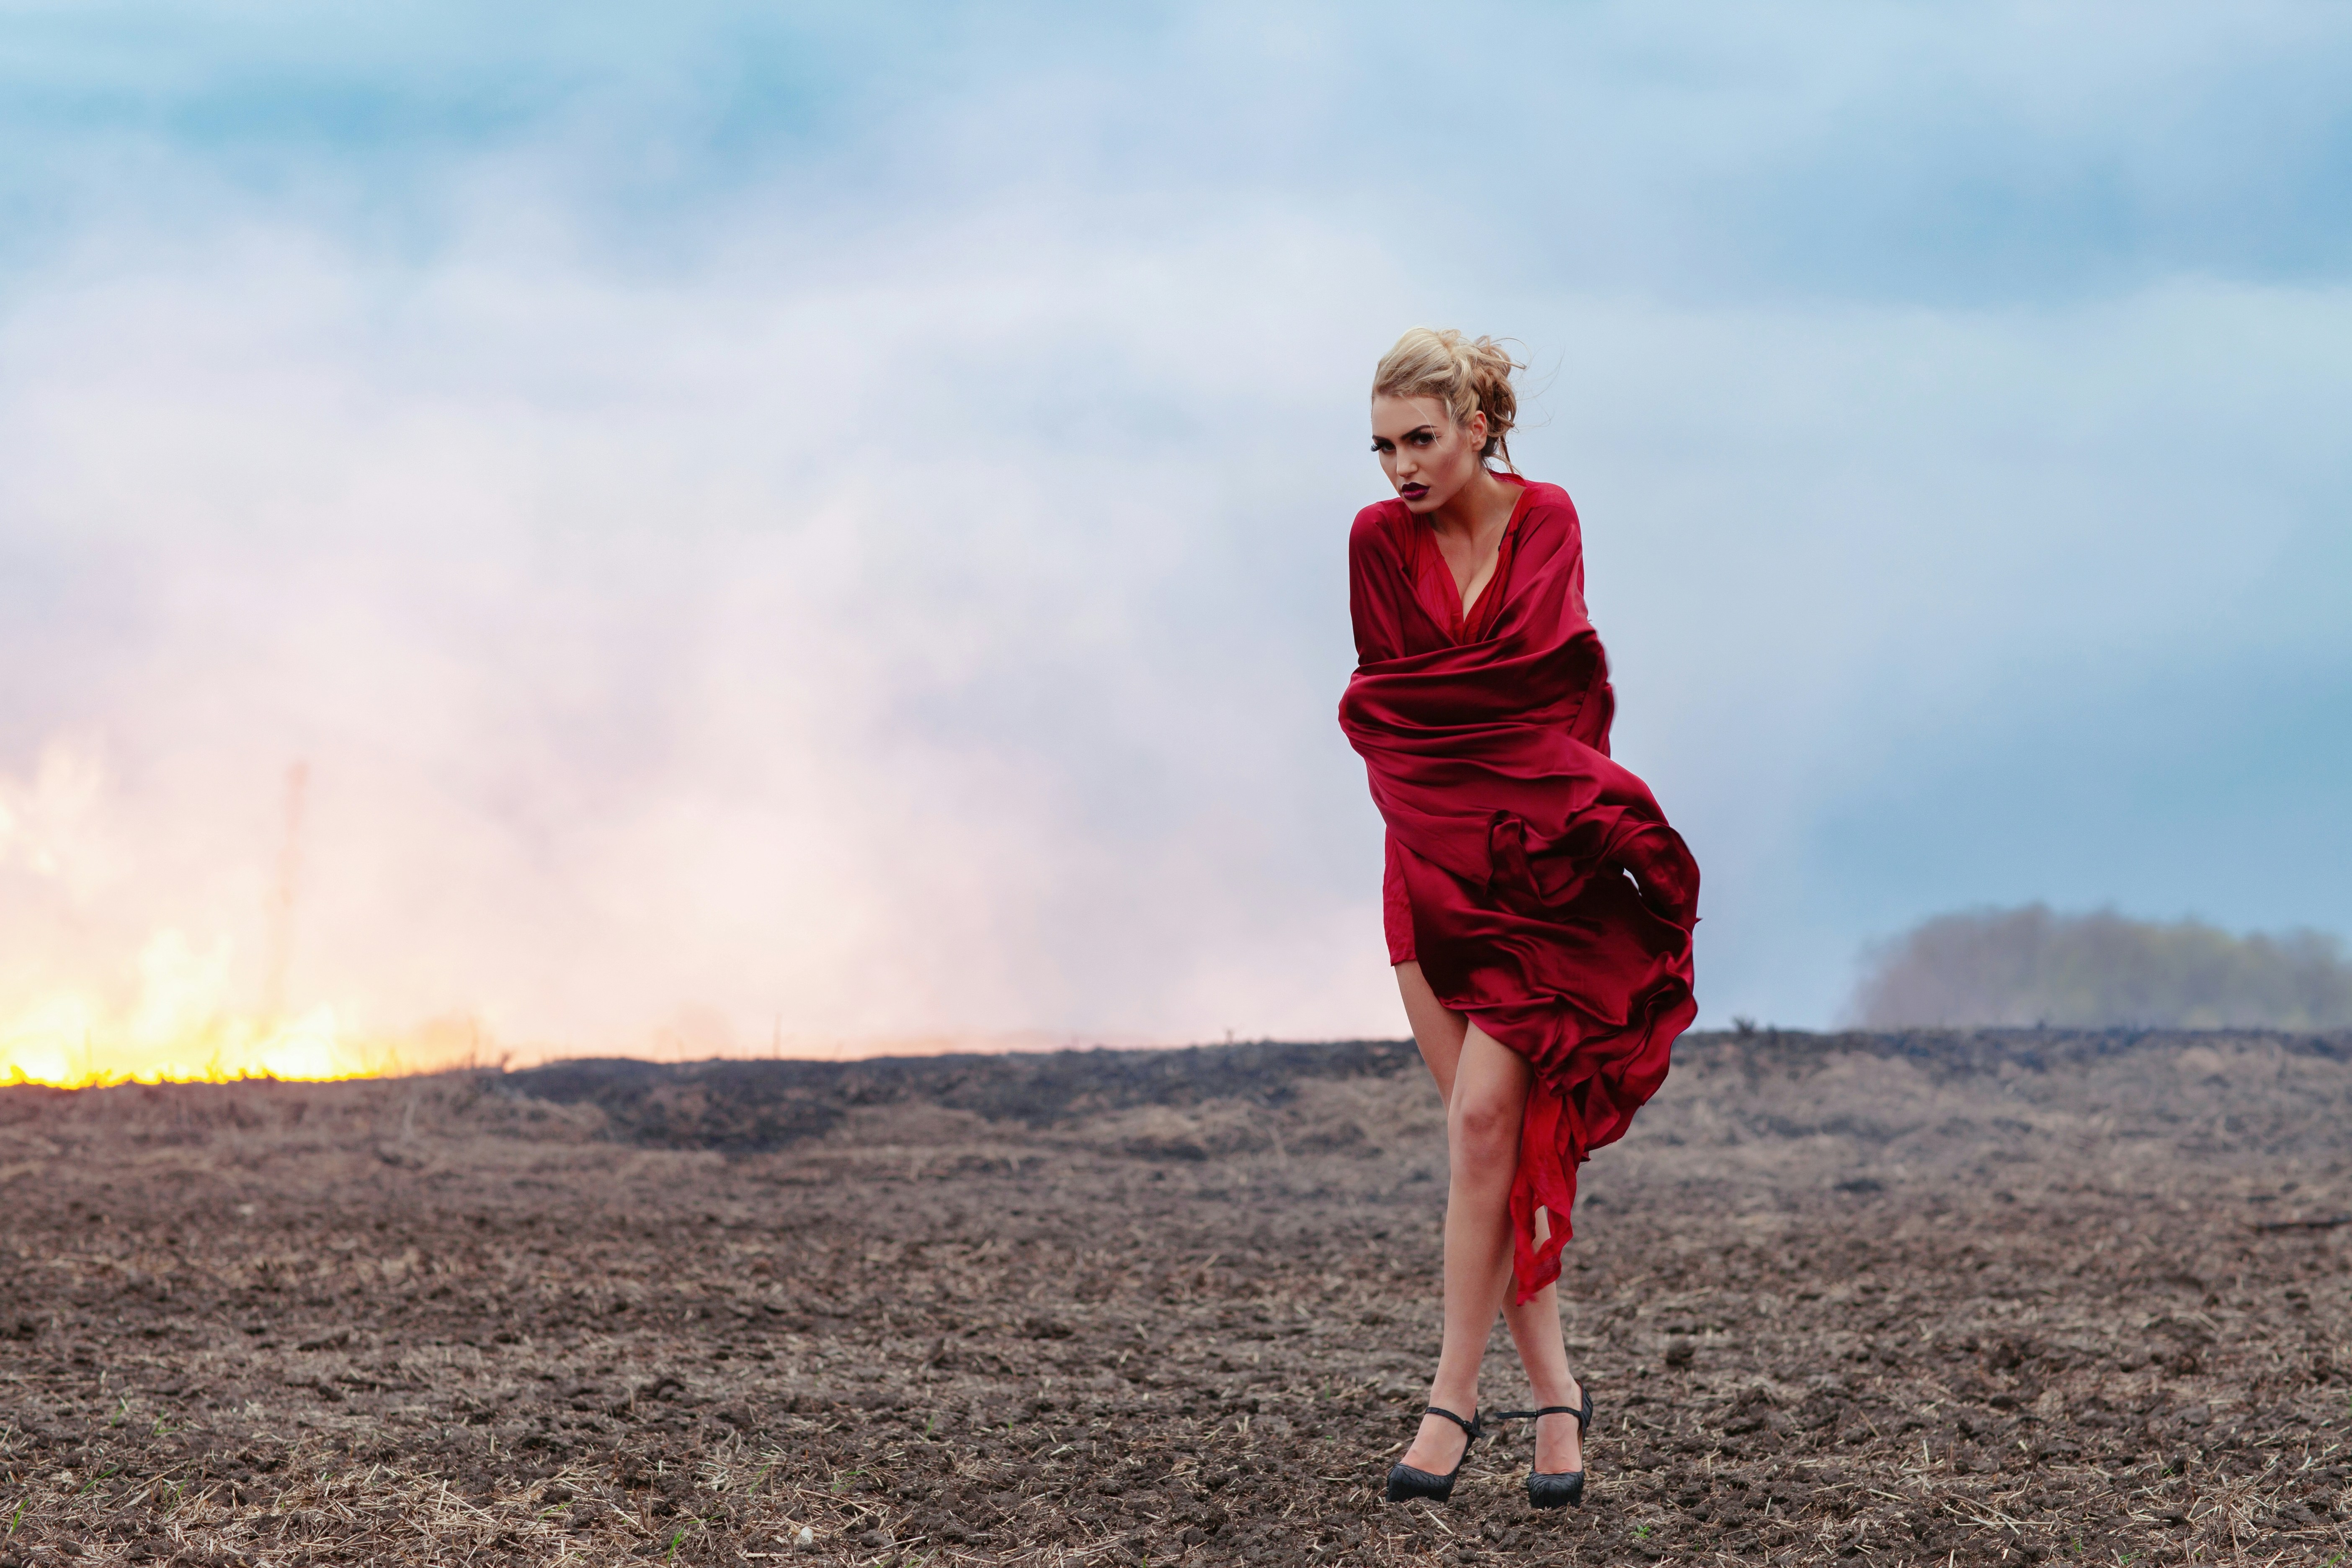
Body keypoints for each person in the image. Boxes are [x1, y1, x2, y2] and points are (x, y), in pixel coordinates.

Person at [1337, 328, 1699, 1510]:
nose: (1399, 467)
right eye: (1383, 445)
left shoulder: (1550, 520)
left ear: (1478, 427)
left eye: (1421, 440)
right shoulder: (1375, 543)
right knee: (1486, 1142)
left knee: (1491, 1120)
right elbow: (1403, 721)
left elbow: (1548, 696)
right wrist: (1470, 746)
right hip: (1430, 874)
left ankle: (1454, 1398)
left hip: (1540, 876)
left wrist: (1490, 749)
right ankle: (1556, 1399)